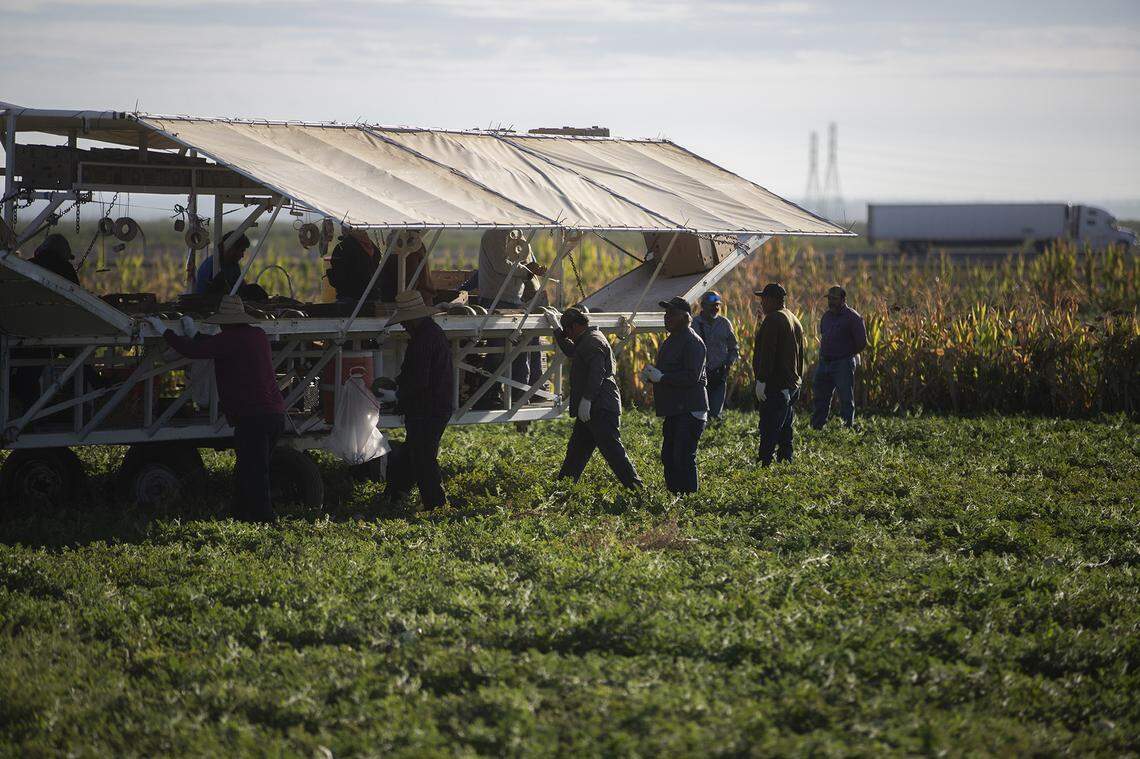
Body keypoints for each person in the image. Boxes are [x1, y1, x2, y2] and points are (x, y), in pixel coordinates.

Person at [146, 295, 286, 522]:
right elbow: (212, 345)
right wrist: (194, 334)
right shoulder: (257, 336)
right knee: (248, 468)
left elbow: (192, 351)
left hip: (252, 417)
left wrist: (165, 331)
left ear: (225, 322)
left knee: (255, 472)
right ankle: (240, 514)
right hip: (274, 415)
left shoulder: (229, 340)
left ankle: (264, 519)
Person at [545, 305, 642, 489]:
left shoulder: (593, 341)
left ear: (574, 327)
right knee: (576, 453)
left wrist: (587, 399)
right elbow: (571, 351)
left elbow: (597, 372)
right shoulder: (586, 339)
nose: (568, 336)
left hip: (600, 408)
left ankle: (638, 491)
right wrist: (556, 329)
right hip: (591, 409)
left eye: (567, 331)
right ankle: (562, 490)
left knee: (614, 453)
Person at [379, 290, 455, 509]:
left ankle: (436, 505)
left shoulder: (424, 339)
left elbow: (419, 379)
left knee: (423, 458)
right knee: (413, 453)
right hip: (433, 405)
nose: (403, 326)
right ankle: (396, 495)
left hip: (428, 408)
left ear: (412, 319)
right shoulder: (430, 333)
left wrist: (398, 394)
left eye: (404, 322)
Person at [641, 296, 708, 494]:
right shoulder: (672, 340)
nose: (666, 317)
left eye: (671, 314)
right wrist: (653, 376)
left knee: (683, 456)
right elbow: (668, 372)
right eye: (666, 313)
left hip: (689, 409)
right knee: (669, 456)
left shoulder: (693, 342)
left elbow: (691, 377)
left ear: (685, 317)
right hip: (675, 409)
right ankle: (675, 498)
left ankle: (688, 500)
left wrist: (662, 377)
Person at [752, 282, 805, 466]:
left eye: (763, 299)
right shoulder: (793, 318)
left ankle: (764, 464)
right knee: (785, 429)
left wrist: (761, 380)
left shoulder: (774, 319)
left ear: (773, 300)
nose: (762, 304)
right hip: (791, 385)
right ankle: (785, 462)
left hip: (776, 385)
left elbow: (768, 353)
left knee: (769, 428)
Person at [812, 285, 868, 429]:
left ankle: (846, 428)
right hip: (824, 362)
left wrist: (846, 355)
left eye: (834, 299)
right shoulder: (827, 316)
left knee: (845, 399)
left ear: (843, 300)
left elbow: (862, 343)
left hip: (842, 363)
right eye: (829, 298)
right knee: (820, 397)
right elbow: (823, 335)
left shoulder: (853, 317)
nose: (831, 302)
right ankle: (817, 427)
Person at [691, 290, 739, 423]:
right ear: (703, 305)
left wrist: (728, 365)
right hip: (700, 375)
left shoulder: (724, 323)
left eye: (717, 305)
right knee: (700, 411)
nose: (716, 308)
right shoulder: (694, 324)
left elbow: (733, 348)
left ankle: (715, 436)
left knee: (716, 412)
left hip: (719, 374)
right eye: (712, 305)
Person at [194, 231, 250, 295]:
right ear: (232, 249)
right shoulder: (211, 266)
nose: (242, 255)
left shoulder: (233, 265)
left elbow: (241, 286)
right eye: (241, 251)